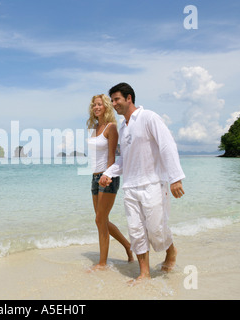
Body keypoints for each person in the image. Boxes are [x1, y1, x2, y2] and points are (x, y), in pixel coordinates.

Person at [99, 83, 185, 282]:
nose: (113, 104)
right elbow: (123, 160)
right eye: (111, 100)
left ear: (129, 98)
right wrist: (108, 173)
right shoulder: (123, 127)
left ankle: (170, 250)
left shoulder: (149, 117)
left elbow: (167, 145)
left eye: (116, 99)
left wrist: (175, 178)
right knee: (136, 231)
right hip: (130, 187)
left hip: (153, 183)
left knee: (156, 230)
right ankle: (144, 273)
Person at [87, 94, 133, 271]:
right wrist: (97, 176)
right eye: (93, 105)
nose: (96, 107)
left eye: (99, 104)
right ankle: (128, 246)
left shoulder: (111, 128)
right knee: (101, 220)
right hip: (94, 177)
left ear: (106, 107)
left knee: (100, 219)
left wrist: (107, 176)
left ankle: (102, 263)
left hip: (107, 178)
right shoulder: (94, 128)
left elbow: (113, 156)